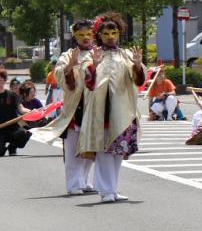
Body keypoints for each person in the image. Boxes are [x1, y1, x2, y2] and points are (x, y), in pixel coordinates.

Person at [78, 12, 145, 203]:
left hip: (122, 110)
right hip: (102, 110)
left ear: (118, 33)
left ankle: (113, 189)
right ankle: (105, 190)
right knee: (105, 150)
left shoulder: (126, 55)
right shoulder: (92, 55)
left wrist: (138, 66)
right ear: (99, 34)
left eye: (113, 32)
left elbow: (138, 80)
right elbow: (87, 83)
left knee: (118, 152)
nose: (110, 36)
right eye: (106, 33)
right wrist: (94, 65)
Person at [30, 20, 96, 194]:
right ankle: (74, 184)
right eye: (81, 35)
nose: (85, 38)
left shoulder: (99, 53)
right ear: (74, 36)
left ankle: (86, 180)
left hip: (94, 106)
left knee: (91, 145)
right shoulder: (68, 55)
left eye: (88, 34)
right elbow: (59, 74)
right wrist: (69, 68)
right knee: (73, 147)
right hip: (75, 107)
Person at [0, 69, 32, 157]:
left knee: (25, 133)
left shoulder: (12, 95)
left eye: (2, 79)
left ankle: (12, 147)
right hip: (0, 130)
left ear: (5, 80)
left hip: (12, 128)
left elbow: (21, 109)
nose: (0, 81)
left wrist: (32, 112)